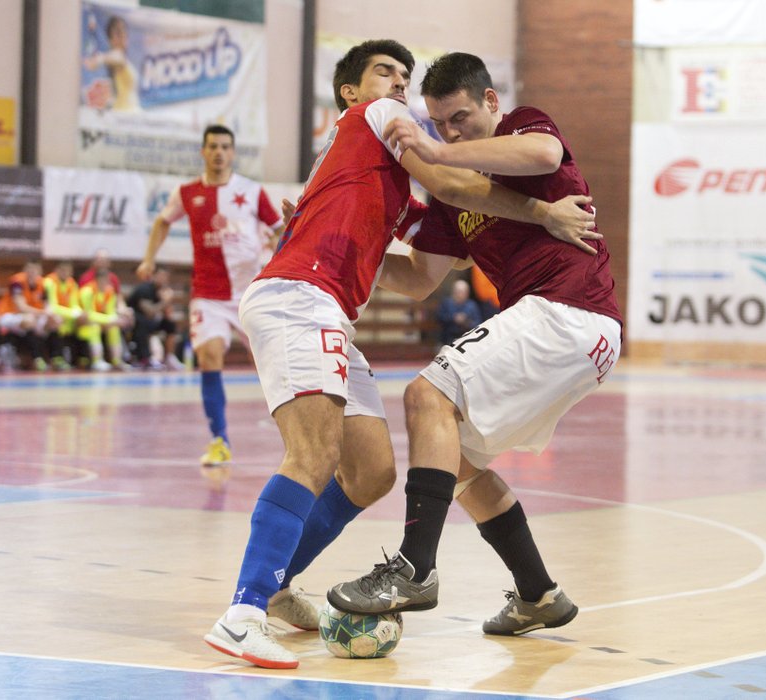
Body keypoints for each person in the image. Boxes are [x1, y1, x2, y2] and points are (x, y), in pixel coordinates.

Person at [202, 39, 598, 670]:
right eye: (385, 74)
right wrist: (540, 212)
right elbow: (445, 178)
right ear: (350, 93)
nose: (399, 87)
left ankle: (284, 584)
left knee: (373, 472)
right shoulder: (378, 118)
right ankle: (243, 613)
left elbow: (416, 274)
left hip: (339, 309)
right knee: (324, 451)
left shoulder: (395, 180)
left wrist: (334, 224)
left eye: (405, 79)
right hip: (300, 297)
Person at [327, 52, 621, 638]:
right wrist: (347, 245)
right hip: (574, 333)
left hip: (568, 309)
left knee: (425, 395)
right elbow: (417, 278)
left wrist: (434, 151)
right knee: (456, 463)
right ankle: (539, 594)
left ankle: (414, 570)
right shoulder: (453, 194)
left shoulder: (523, 127)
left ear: (491, 101)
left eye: (460, 117)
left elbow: (544, 155)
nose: (450, 132)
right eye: (438, 123)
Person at [137, 125, 283, 465]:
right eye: (213, 146)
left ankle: (297, 436)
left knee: (272, 366)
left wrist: (278, 255)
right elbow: (161, 222)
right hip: (208, 293)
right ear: (203, 151)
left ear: (233, 153)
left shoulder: (250, 190)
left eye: (225, 147)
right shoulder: (188, 192)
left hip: (251, 293)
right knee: (209, 358)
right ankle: (219, 440)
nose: (219, 152)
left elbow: (279, 230)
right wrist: (148, 259)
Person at [0, 261, 56, 372]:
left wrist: (49, 315)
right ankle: (36, 358)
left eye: (35, 270)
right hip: (9, 315)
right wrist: (42, 313)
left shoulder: (43, 283)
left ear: (40, 271)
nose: (32, 272)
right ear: (25, 270)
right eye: (29, 269)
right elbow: (21, 307)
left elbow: (48, 306)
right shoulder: (17, 282)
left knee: (55, 321)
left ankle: (55, 358)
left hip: (32, 315)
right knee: (29, 321)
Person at [79, 260, 132, 372]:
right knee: (94, 327)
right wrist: (109, 320)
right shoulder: (87, 292)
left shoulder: (109, 292)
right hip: (83, 323)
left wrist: (114, 320)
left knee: (114, 328)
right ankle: (97, 360)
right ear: (97, 280)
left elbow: (110, 312)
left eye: (107, 281)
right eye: (104, 280)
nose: (106, 283)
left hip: (102, 322)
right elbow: (88, 315)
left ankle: (117, 361)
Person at [126, 266, 183, 370]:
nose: (163, 279)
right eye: (161, 276)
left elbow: (167, 314)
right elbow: (149, 312)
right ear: (153, 276)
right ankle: (144, 358)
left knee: (170, 324)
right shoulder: (145, 289)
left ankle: (170, 357)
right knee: (142, 323)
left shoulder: (162, 291)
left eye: (165, 277)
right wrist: (165, 302)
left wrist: (167, 302)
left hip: (151, 322)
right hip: (134, 322)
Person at [83, 15, 140, 112]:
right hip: (124, 114)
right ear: (110, 40)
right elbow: (115, 57)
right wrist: (100, 59)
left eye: (124, 31)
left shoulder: (123, 59)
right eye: (118, 33)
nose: (122, 36)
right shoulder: (118, 56)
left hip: (129, 114)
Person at [42, 260, 84, 371]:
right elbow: (52, 306)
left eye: (68, 270)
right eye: (62, 269)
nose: (65, 272)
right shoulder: (49, 282)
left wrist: (78, 314)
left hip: (66, 316)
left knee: (83, 320)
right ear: (56, 270)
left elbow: (74, 305)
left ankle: (82, 358)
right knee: (57, 320)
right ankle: (56, 358)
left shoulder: (72, 284)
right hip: (48, 316)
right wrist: (72, 314)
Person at [436, 278, 481, 345]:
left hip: (467, 339)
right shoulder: (446, 303)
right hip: (448, 338)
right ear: (453, 292)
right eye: (458, 292)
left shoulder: (472, 305)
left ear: (467, 293)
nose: (460, 294)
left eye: (463, 292)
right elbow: (439, 318)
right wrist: (453, 318)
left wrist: (466, 322)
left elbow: (478, 323)